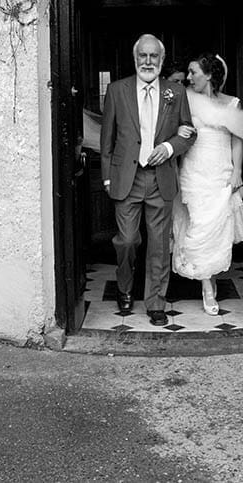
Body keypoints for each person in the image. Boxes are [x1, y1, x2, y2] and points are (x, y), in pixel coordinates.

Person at [100, 35, 196, 326]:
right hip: (126, 177)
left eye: (154, 56)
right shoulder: (117, 90)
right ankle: (125, 287)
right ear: (135, 58)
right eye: (143, 56)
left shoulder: (175, 92)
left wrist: (168, 148)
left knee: (158, 244)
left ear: (162, 60)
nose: (148, 61)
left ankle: (156, 302)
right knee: (127, 240)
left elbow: (189, 131)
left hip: (160, 178)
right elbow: (107, 140)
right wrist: (106, 179)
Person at [172, 53, 243, 315]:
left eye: (194, 72)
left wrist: (237, 170)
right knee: (198, 228)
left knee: (215, 232)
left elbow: (237, 138)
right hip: (194, 172)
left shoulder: (231, 103)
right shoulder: (188, 101)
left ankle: (210, 277)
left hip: (220, 172)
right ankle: (207, 288)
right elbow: (176, 130)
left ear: (208, 75)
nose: (189, 77)